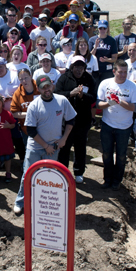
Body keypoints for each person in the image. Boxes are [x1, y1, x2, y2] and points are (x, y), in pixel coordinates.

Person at [12, 74, 76, 214]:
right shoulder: (34, 105)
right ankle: (20, 202)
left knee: (49, 176)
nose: (46, 89)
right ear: (38, 89)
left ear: (52, 85)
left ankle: (45, 203)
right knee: (27, 175)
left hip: (54, 148)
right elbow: (31, 130)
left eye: (48, 86)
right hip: (35, 148)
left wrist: (64, 138)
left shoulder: (62, 100)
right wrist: (45, 146)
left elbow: (71, 120)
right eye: (43, 88)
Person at [97, 60, 136, 190]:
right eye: (120, 72)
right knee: (107, 153)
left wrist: (120, 102)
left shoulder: (133, 86)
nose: (123, 75)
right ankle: (107, 179)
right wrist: (110, 103)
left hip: (124, 127)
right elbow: (99, 104)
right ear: (114, 71)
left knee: (121, 155)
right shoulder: (105, 83)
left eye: (125, 72)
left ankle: (117, 181)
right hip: (107, 125)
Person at [55, 56, 96, 184]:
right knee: (64, 147)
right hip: (66, 119)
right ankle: (62, 171)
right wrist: (70, 94)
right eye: (76, 67)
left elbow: (94, 98)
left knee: (80, 147)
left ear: (84, 68)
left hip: (83, 120)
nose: (79, 69)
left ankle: (79, 172)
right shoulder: (64, 78)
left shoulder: (89, 79)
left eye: (81, 67)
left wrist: (83, 95)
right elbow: (57, 94)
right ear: (72, 67)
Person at [89, 20, 119, 86]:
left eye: (104, 28)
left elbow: (114, 58)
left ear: (107, 29)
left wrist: (106, 60)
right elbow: (89, 56)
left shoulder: (112, 41)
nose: (102, 30)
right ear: (98, 28)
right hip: (95, 69)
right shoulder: (92, 40)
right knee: (94, 88)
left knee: (107, 88)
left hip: (107, 70)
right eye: (100, 28)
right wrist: (95, 47)